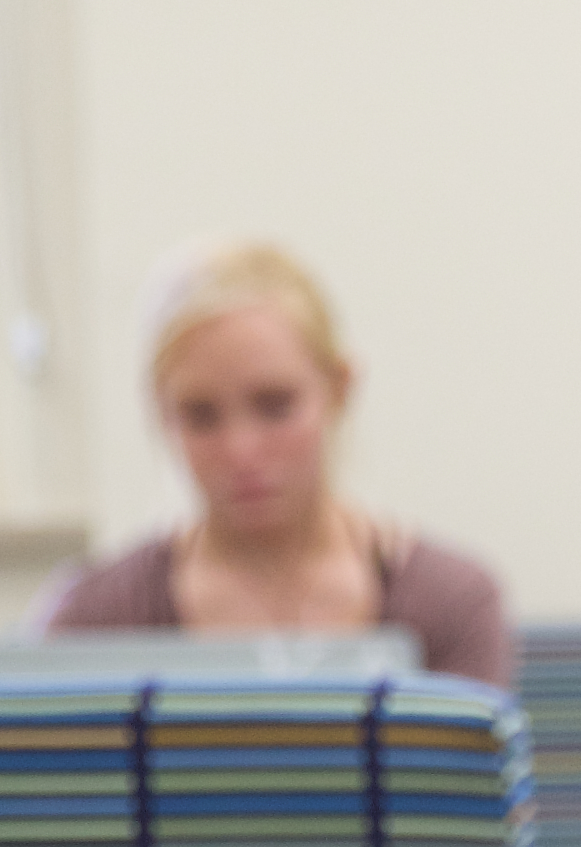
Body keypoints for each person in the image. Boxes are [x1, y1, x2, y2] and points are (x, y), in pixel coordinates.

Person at [26, 241, 514, 688]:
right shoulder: (94, 620)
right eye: (201, 417)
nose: (242, 451)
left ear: (339, 390)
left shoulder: (448, 603)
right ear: (163, 416)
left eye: (275, 406)